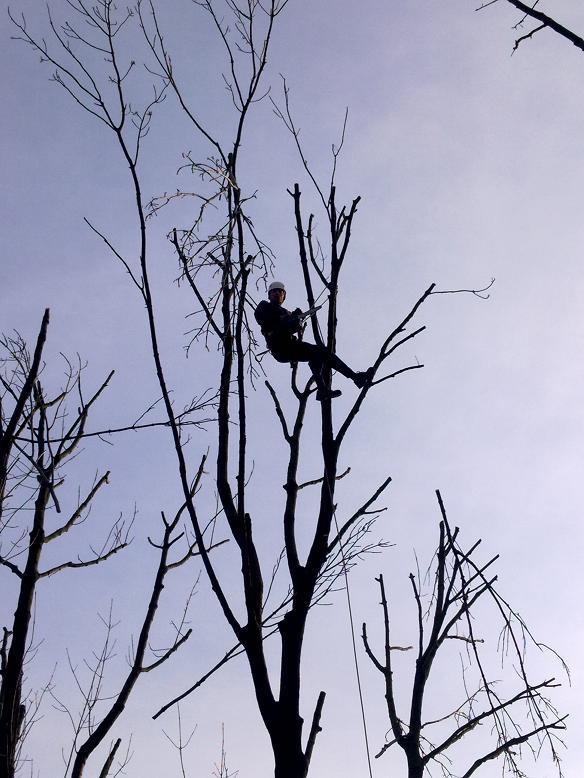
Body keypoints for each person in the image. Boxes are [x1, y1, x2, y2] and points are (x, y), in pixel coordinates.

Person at [254, 281, 372, 400]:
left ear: (284, 296)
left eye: (280, 292)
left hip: (290, 345)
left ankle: (354, 378)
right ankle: (323, 390)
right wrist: (290, 319)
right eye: (274, 291)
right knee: (314, 352)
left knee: (322, 352)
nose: (277, 293)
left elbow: (293, 327)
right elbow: (268, 319)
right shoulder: (264, 306)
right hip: (279, 347)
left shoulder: (286, 312)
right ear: (269, 295)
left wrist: (297, 319)